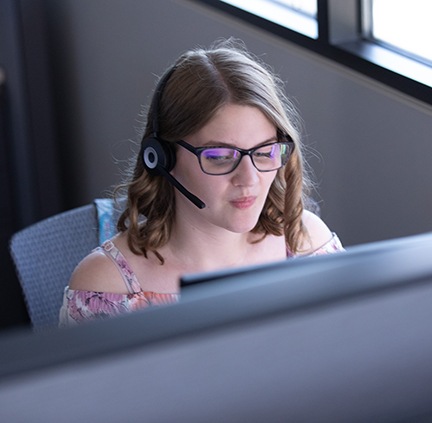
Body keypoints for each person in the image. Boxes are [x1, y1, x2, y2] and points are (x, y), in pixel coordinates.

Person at [59, 39, 344, 326]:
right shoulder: (108, 285)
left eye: (265, 152)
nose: (249, 179)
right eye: (220, 156)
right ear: (161, 158)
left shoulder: (306, 242)